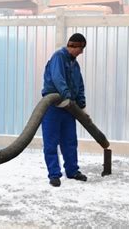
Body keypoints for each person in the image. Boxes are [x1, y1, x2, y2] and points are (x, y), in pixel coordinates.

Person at [41, 33, 88, 187]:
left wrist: (81, 103)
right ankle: (54, 174)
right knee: (51, 142)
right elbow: (57, 78)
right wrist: (67, 96)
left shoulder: (75, 64)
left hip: (68, 108)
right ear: (75, 46)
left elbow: (79, 84)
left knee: (69, 141)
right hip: (53, 106)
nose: (81, 52)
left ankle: (72, 170)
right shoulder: (58, 57)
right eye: (81, 49)